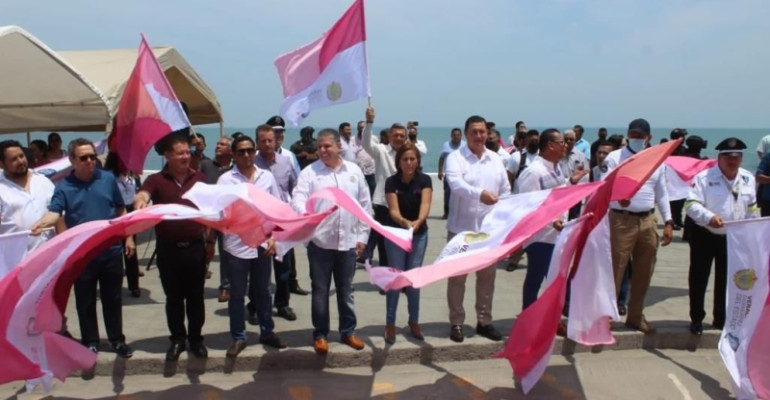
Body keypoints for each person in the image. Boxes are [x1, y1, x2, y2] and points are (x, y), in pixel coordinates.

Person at [31, 138, 134, 358]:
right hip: (82, 255)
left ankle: (117, 340)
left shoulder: (107, 179)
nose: (90, 161)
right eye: (84, 157)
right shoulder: (64, 187)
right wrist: (42, 223)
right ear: (72, 160)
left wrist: (128, 238)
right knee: (85, 300)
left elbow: (120, 209)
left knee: (113, 299)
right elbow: (55, 212)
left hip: (110, 252)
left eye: (92, 157)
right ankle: (90, 342)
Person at [291, 128, 372, 355]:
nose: (322, 150)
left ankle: (348, 331)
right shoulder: (309, 173)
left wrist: (362, 237)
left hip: (349, 243)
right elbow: (298, 198)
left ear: (339, 146)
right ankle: (320, 334)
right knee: (320, 290)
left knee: (346, 290)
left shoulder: (354, 171)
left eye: (327, 146)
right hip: (320, 243)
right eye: (319, 146)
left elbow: (365, 205)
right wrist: (305, 217)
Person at [134, 134, 213, 361]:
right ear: (167, 155)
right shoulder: (157, 180)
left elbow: (210, 210)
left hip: (195, 249)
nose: (185, 156)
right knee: (174, 298)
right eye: (180, 153)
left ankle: (196, 339)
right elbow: (144, 193)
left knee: (196, 298)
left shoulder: (200, 179)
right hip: (168, 250)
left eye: (187, 152)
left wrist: (209, 242)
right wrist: (140, 201)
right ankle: (178, 339)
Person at [218, 135, 288, 356]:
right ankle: (238, 337)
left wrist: (275, 238)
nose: (246, 155)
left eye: (250, 150)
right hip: (236, 246)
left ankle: (267, 332)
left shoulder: (266, 177)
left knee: (264, 291)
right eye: (241, 151)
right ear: (233, 155)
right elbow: (219, 212)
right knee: (237, 294)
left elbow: (276, 208)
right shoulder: (225, 180)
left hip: (262, 243)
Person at [604, 118, 674, 334]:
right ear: (627, 135)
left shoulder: (656, 160)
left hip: (647, 220)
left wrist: (668, 220)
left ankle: (635, 316)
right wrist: (618, 198)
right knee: (615, 270)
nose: (636, 138)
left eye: (640, 136)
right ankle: (606, 317)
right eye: (632, 135)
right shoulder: (615, 158)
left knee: (645, 270)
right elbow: (605, 186)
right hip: (621, 219)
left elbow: (661, 192)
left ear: (648, 137)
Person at [444, 115, 510, 343]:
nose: (479, 136)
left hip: (489, 232)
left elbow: (505, 190)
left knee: (487, 279)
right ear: (466, 134)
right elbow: (456, 184)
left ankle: (484, 321)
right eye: (474, 132)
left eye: (483, 132)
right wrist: (480, 194)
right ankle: (456, 322)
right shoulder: (456, 158)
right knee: (457, 279)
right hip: (461, 230)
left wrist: (504, 219)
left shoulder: (496, 159)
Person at [685, 138, 759, 335]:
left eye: (736, 157)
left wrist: (750, 228)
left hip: (733, 238)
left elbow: (751, 206)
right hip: (705, 234)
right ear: (719, 158)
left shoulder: (748, 178)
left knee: (727, 280)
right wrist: (708, 217)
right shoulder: (704, 178)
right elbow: (690, 204)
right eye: (727, 157)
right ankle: (697, 319)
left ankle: (721, 318)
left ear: (741, 159)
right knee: (699, 278)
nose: (731, 161)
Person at [516, 129, 587, 310]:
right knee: (537, 278)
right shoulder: (534, 172)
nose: (566, 146)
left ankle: (551, 315)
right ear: (550, 145)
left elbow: (557, 195)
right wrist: (552, 221)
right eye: (562, 142)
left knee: (555, 279)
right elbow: (529, 205)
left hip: (556, 235)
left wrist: (571, 182)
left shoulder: (556, 168)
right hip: (540, 237)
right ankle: (529, 315)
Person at [382, 143, 432, 344]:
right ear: (399, 162)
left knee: (413, 280)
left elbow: (426, 204)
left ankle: (414, 320)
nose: (409, 163)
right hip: (396, 234)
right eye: (405, 159)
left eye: (412, 159)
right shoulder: (391, 182)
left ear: (418, 161)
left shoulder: (425, 180)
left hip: (419, 234)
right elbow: (393, 211)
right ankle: (390, 323)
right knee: (396, 279)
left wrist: (418, 221)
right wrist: (405, 223)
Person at [255, 124, 305, 321]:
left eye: (271, 140)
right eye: (263, 141)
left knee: (284, 268)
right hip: (259, 223)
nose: (268, 144)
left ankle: (282, 304)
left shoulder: (286, 162)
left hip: (282, 222)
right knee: (259, 269)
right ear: (257, 143)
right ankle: (256, 306)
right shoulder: (252, 163)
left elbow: (296, 188)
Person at [362, 107, 407, 267]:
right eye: (395, 135)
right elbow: (365, 143)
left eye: (402, 136)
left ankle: (401, 273)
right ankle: (385, 274)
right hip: (383, 203)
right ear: (389, 136)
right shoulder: (381, 150)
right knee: (383, 243)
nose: (398, 138)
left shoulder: (409, 153)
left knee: (403, 240)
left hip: (404, 202)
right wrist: (369, 122)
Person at [0, 140, 56, 252]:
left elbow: (58, 216)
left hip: (51, 255)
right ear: (1, 164)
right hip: (16, 258)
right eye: (14, 159)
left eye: (21, 156)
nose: (20, 161)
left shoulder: (44, 181)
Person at [103, 152, 143, 298]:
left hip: (131, 212)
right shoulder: (109, 177)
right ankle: (114, 285)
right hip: (116, 212)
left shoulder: (133, 176)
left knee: (131, 249)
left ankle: (134, 285)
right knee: (115, 251)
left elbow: (138, 192)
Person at [199, 136, 234, 301]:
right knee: (204, 251)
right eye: (218, 143)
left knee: (226, 254)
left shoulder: (235, 169)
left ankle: (225, 287)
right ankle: (197, 284)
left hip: (227, 218)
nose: (218, 146)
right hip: (207, 217)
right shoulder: (205, 165)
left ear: (231, 150)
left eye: (223, 144)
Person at [560, 129, 589, 219]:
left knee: (573, 219)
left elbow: (585, 175)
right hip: (560, 192)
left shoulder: (581, 156)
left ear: (575, 140)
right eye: (566, 139)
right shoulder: (558, 154)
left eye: (571, 139)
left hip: (574, 193)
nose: (568, 141)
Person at [438, 128, 464, 219]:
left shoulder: (465, 145)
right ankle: (446, 213)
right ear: (451, 136)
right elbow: (442, 158)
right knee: (448, 194)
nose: (456, 137)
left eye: (458, 135)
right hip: (449, 174)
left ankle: (460, 213)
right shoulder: (446, 145)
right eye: (454, 135)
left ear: (461, 136)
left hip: (462, 174)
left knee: (461, 194)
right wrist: (440, 171)